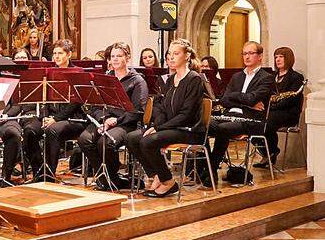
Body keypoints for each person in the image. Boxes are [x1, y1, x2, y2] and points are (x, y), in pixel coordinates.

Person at [126, 39, 206, 197]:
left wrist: (159, 128)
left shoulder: (194, 79)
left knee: (148, 141)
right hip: (170, 127)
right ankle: (157, 175)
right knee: (131, 138)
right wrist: (155, 125)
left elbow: (186, 114)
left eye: (176, 54)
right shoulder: (170, 79)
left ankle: (169, 182)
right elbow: (162, 108)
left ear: (187, 56)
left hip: (189, 130)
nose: (171, 57)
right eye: (169, 54)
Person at [77, 42, 149, 189]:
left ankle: (110, 177)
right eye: (112, 56)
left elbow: (138, 111)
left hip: (126, 123)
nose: (115, 59)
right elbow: (96, 105)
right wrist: (103, 120)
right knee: (84, 139)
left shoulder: (137, 81)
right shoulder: (104, 78)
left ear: (127, 58)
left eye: (119, 56)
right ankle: (107, 177)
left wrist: (114, 121)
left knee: (105, 142)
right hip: (104, 120)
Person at [204, 41, 275, 182]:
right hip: (230, 115)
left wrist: (237, 97)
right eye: (244, 53)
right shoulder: (237, 76)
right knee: (204, 123)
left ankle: (209, 171)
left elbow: (252, 98)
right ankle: (203, 167)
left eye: (251, 53)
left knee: (223, 128)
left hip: (252, 120)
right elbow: (224, 100)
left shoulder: (266, 78)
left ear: (260, 56)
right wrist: (246, 101)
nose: (247, 57)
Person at [22, 39, 85, 180]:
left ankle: (49, 173)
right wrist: (45, 117)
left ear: (69, 55)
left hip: (72, 119)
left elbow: (75, 103)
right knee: (29, 130)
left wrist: (55, 119)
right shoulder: (48, 73)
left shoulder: (78, 72)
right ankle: (39, 170)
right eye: (54, 53)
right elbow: (43, 99)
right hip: (50, 116)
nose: (56, 56)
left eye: (60, 53)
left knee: (53, 130)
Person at [254, 46, 305, 168]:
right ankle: (266, 153)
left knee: (268, 123)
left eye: (281, 57)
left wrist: (270, 107)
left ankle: (272, 151)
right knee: (252, 121)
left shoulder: (296, 77)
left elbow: (291, 100)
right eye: (276, 57)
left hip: (288, 113)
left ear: (288, 58)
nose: (278, 59)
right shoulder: (270, 76)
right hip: (272, 111)